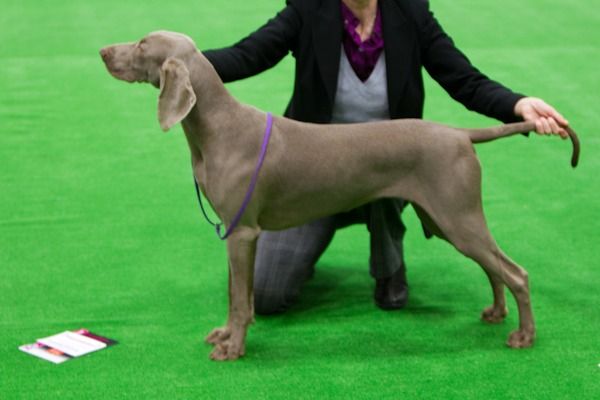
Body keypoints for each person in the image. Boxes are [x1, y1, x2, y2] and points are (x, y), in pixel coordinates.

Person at [203, 0, 569, 315]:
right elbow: (246, 55)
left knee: (391, 164)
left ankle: (388, 266)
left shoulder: (410, 12)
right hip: (312, 177)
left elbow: (465, 79)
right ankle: (307, 253)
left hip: (388, 172)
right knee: (267, 295)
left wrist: (518, 104)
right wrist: (186, 61)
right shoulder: (309, 9)